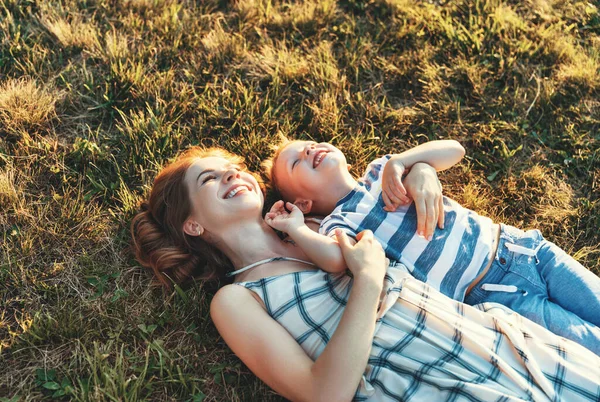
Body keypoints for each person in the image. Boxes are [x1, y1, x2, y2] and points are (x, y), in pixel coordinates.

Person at [131, 146, 600, 401]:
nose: (233, 176)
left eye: (233, 168)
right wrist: (369, 282)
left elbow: (394, 207)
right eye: (210, 179)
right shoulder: (236, 300)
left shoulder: (319, 228)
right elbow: (323, 393)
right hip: (435, 383)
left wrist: (418, 169)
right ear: (193, 225)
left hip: (505, 340)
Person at [264, 138, 600, 354]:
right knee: (590, 346)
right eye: (296, 161)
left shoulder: (381, 171)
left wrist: (403, 162)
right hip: (494, 295)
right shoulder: (339, 225)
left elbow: (455, 150)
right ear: (304, 203)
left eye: (309, 143)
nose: (309, 150)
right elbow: (336, 260)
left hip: (525, 250)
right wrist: (297, 228)